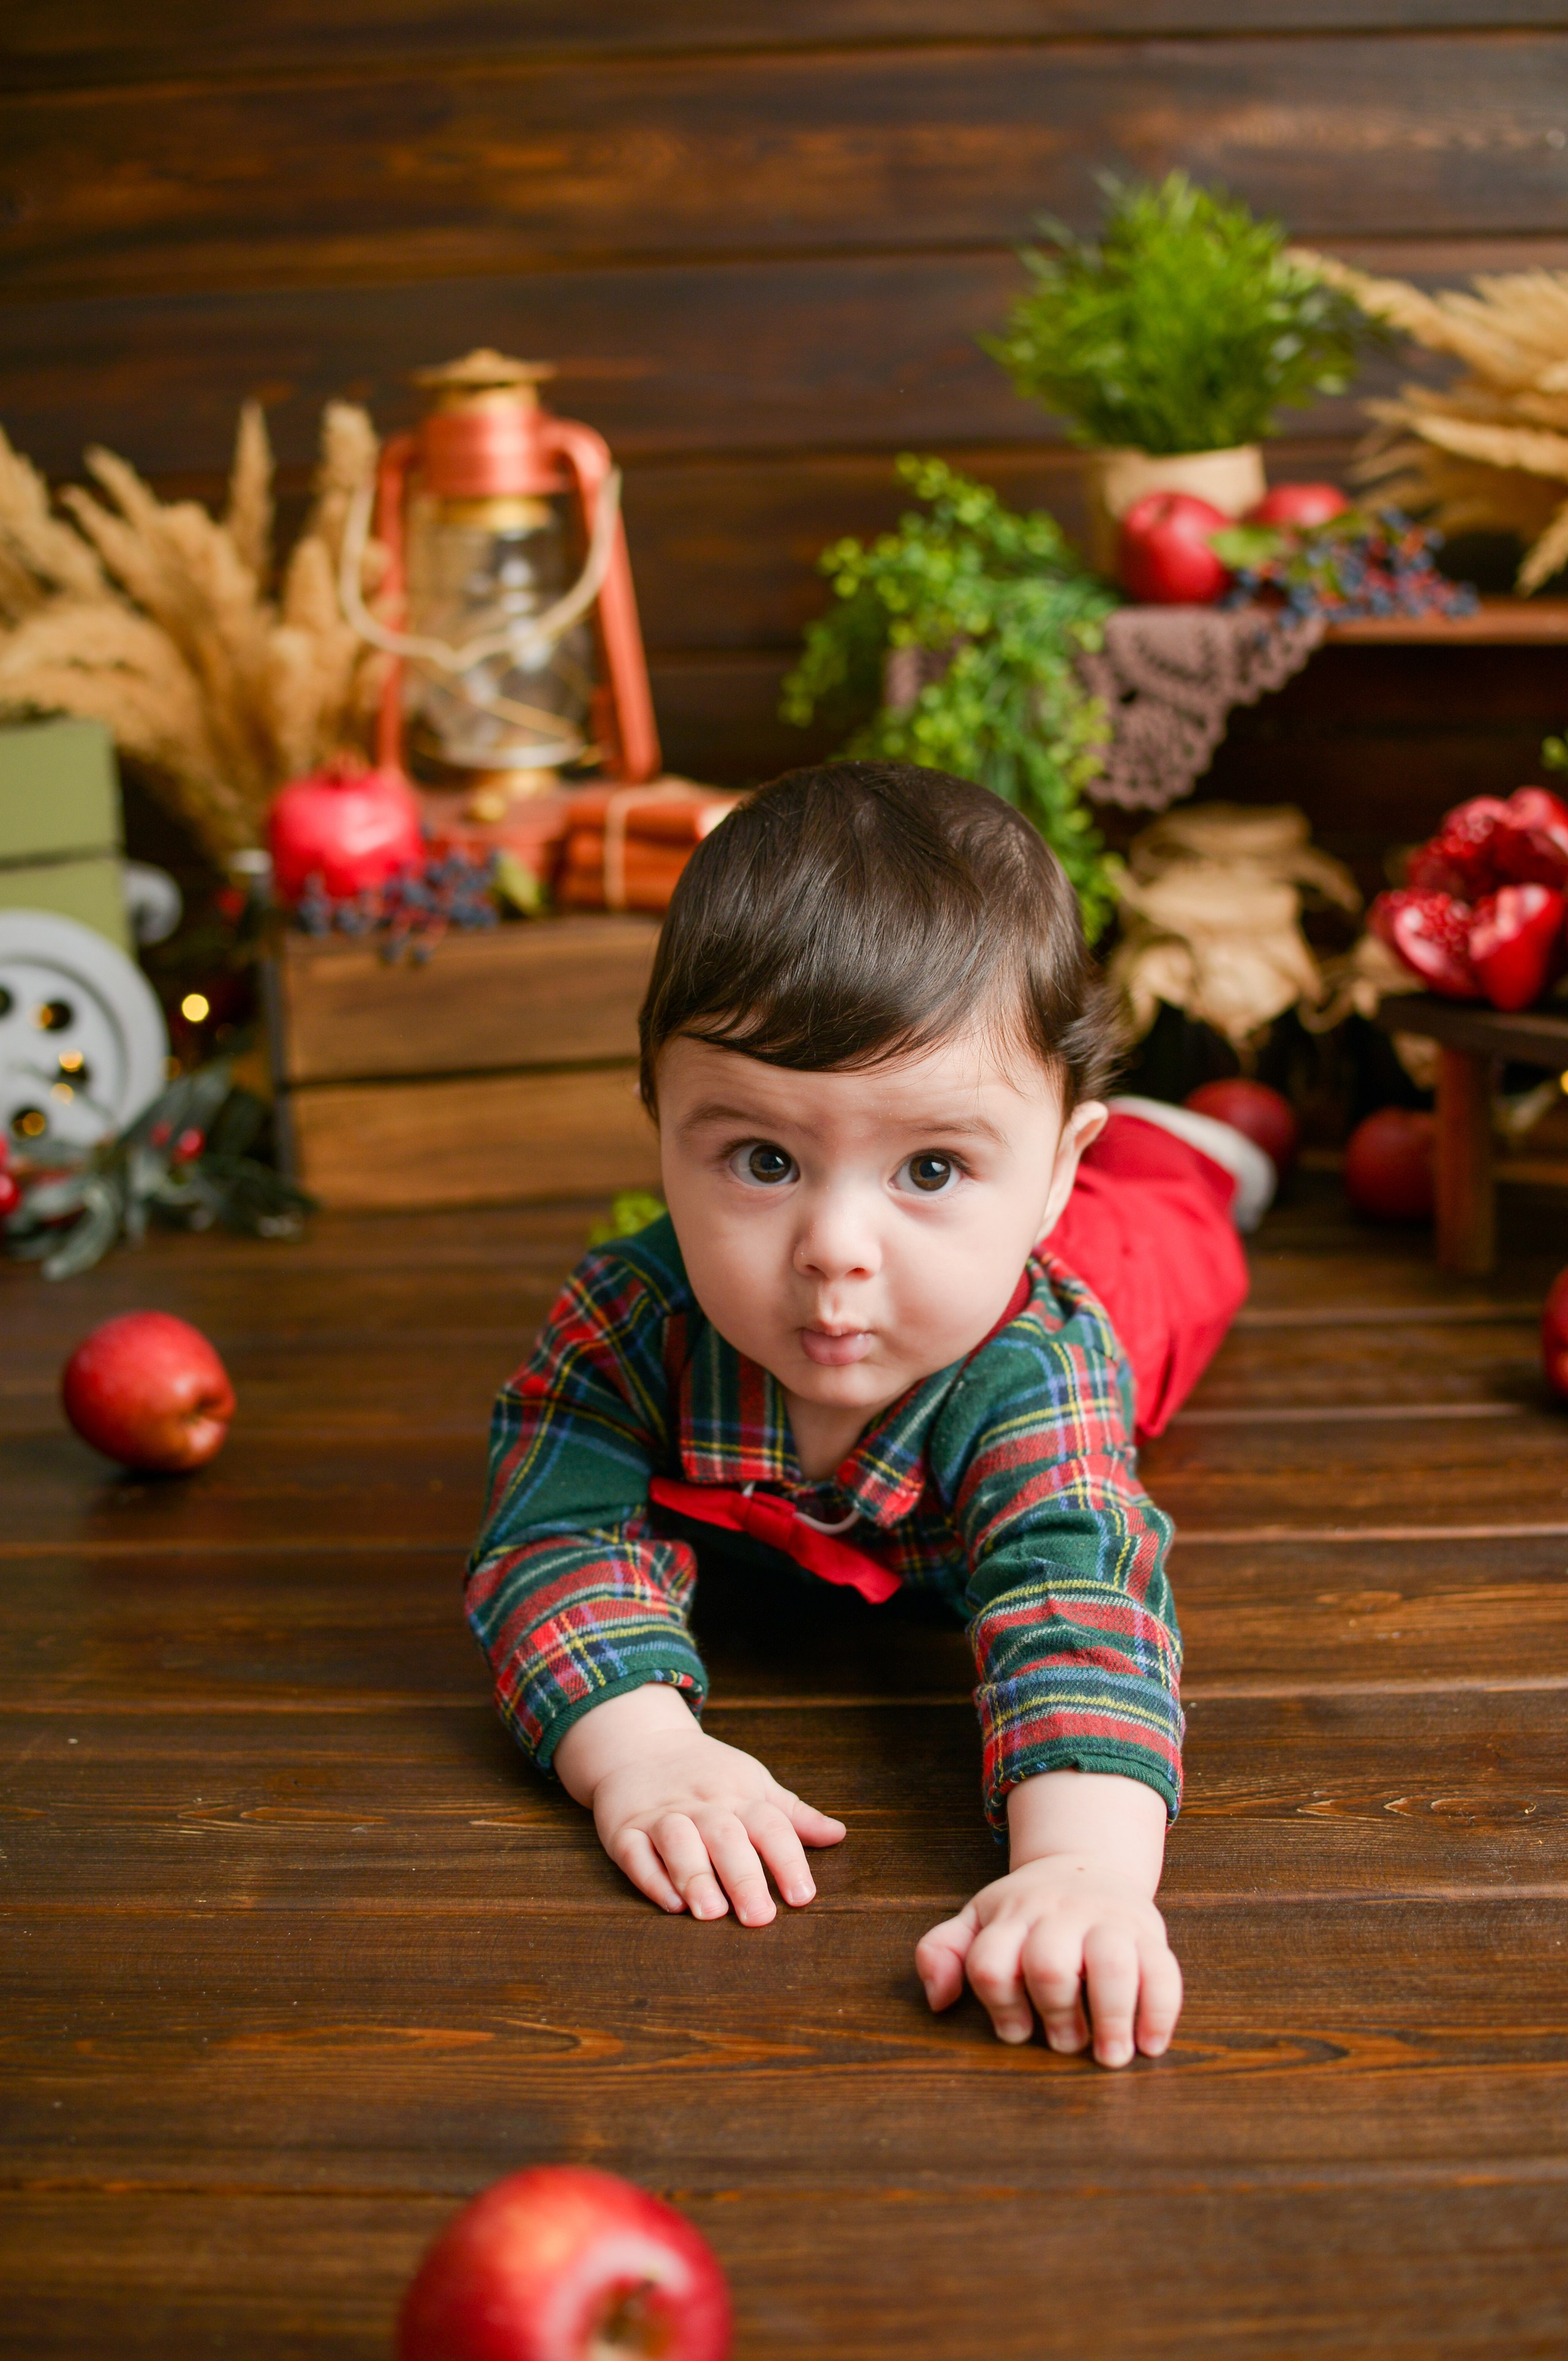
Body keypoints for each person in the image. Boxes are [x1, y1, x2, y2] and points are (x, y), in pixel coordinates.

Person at [467, 762, 1271, 2068]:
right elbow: (547, 1542)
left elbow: (1078, 1596)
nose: (835, 1247)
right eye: (763, 1160)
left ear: (1050, 1167)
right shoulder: (630, 1321)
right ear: (660, 1127)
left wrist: (1081, 1867)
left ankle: (1169, 1159)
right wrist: (641, 1748)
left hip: (1100, 1279)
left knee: (1169, 1262)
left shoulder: (1034, 1364)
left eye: (930, 1165)